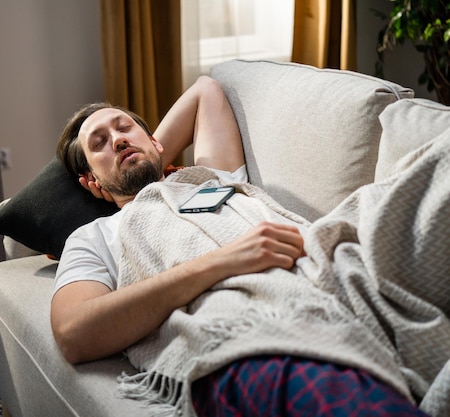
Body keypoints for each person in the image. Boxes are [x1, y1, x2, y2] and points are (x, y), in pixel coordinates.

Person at [50, 76, 436, 416]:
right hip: (251, 328)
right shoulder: (97, 235)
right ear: (92, 183)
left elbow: (205, 89)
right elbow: (73, 333)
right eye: (99, 143)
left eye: (125, 128)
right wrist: (223, 262)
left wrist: (145, 150)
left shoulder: (208, 180)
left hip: (332, 262)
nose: (117, 139)